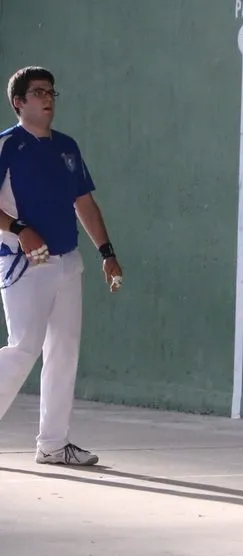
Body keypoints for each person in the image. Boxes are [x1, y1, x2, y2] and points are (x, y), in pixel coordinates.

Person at [0, 66, 124, 466]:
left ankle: (53, 444)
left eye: (51, 92)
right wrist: (19, 229)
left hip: (68, 262)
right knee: (23, 348)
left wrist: (106, 252)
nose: (48, 98)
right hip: (25, 263)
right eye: (38, 92)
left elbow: (83, 202)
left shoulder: (67, 147)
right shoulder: (6, 146)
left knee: (64, 352)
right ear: (19, 102)